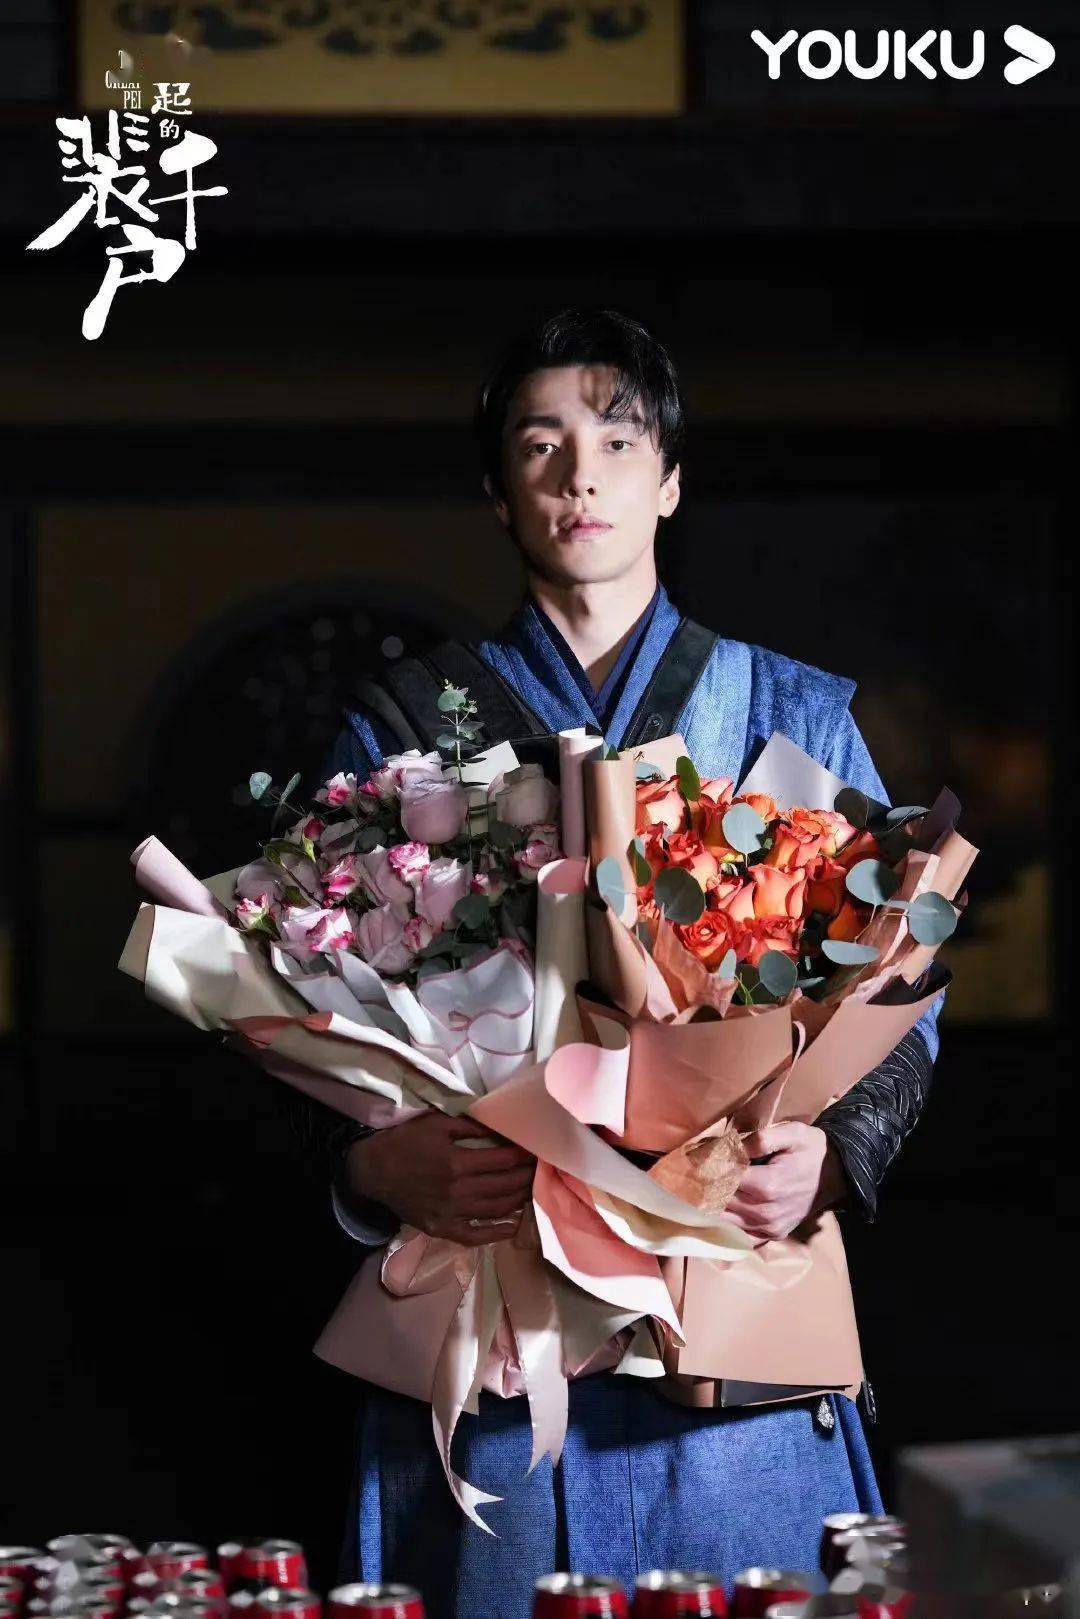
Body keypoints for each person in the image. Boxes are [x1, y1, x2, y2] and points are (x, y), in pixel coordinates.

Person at [307, 308, 944, 1618]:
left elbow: (900, 998)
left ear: (671, 481)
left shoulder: (789, 711)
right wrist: (369, 1169)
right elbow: (298, 1001)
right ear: (500, 494)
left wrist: (831, 1152)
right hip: (493, 1319)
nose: (579, 477)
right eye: (540, 446)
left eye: (615, 441)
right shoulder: (402, 729)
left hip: (726, 1307)